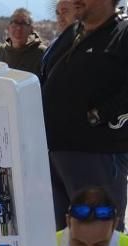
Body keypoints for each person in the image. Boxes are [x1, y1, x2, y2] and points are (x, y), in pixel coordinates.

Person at [41, 0, 128, 230]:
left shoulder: (122, 33)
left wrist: (100, 116)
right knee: (63, 241)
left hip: (97, 155)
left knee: (100, 238)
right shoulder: (72, 33)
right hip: (54, 155)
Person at [0, 8, 46, 73]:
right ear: (8, 28)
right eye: (15, 23)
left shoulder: (42, 53)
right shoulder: (1, 52)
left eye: (23, 23)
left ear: (31, 29)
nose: (19, 28)